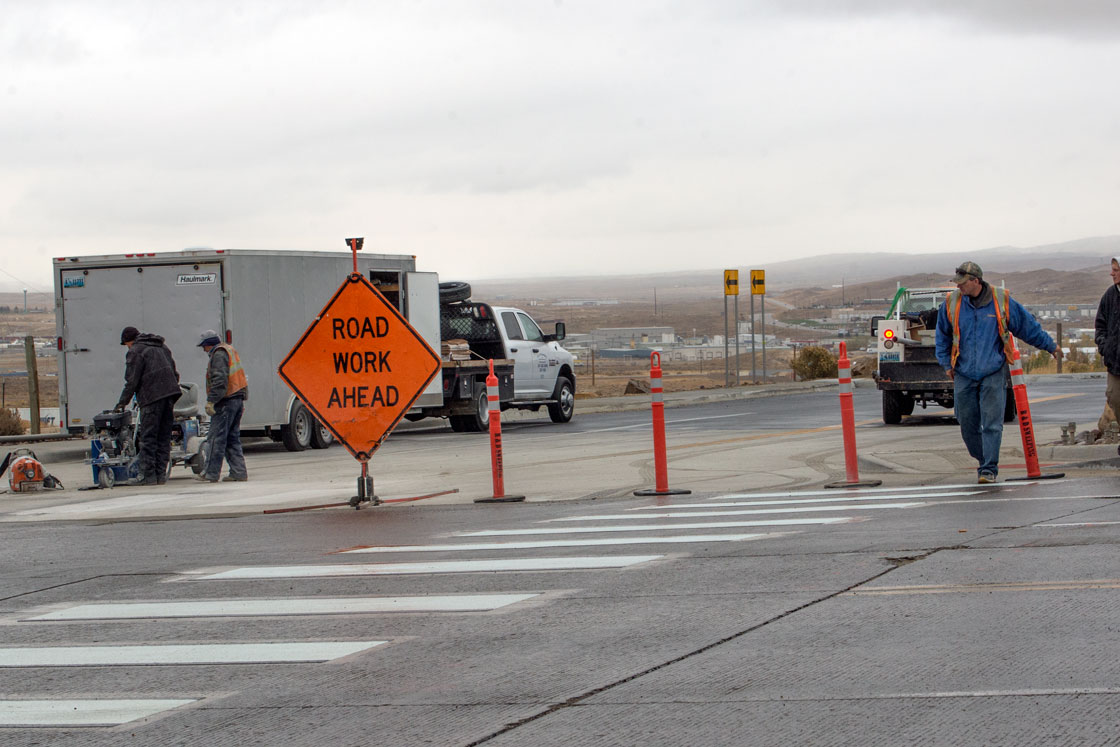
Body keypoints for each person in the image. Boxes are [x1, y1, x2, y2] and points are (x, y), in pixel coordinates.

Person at [935, 262, 1062, 484]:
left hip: (993, 371)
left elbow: (1027, 326)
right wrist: (946, 364)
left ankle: (988, 469)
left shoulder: (1001, 301)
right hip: (963, 372)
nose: (960, 287)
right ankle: (983, 457)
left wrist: (1050, 346)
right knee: (966, 421)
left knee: (992, 423)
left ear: (976, 281)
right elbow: (942, 336)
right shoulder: (952, 303)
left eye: (963, 283)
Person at [114, 326, 181, 485]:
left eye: (126, 345)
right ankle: (160, 475)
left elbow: (132, 381)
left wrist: (121, 404)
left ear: (128, 341)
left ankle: (147, 476)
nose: (128, 348)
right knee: (163, 437)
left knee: (149, 438)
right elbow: (175, 373)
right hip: (170, 395)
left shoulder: (136, 351)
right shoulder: (161, 346)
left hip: (152, 398)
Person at [198, 329, 248, 483]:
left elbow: (220, 380)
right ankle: (238, 472)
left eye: (204, 346)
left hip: (225, 401)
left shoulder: (218, 354)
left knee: (215, 439)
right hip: (237, 399)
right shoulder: (229, 350)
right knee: (232, 438)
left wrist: (211, 401)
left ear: (208, 344)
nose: (203, 350)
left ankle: (210, 474)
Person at [1093, 257, 1120, 454]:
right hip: (1115, 363)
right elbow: (1100, 325)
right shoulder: (1110, 296)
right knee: (1114, 397)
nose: (1112, 273)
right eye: (1113, 269)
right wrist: (1105, 346)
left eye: (1116, 270)